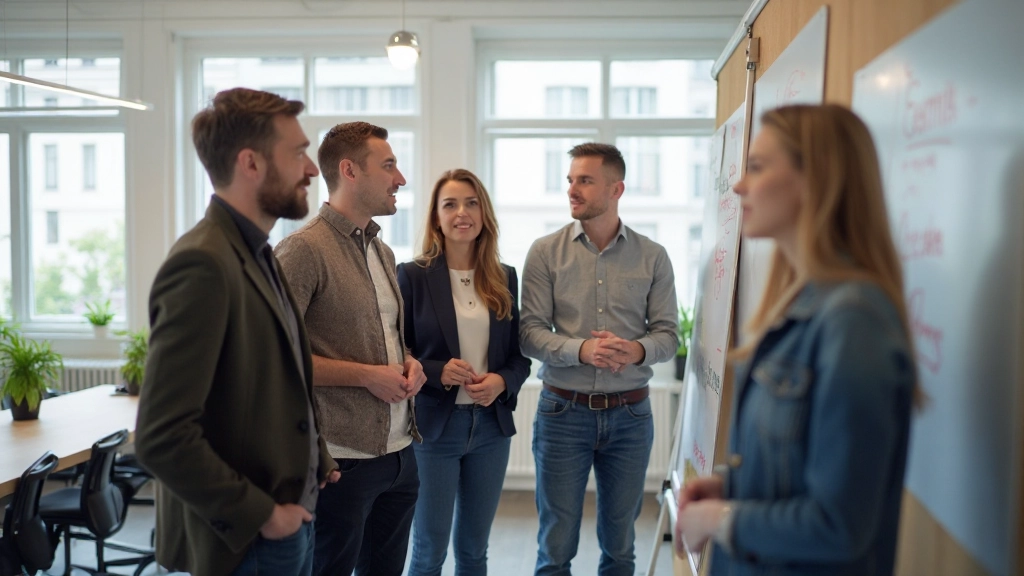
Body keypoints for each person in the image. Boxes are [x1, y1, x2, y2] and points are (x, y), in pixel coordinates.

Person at [674, 104, 917, 576]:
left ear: (815, 181)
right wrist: (732, 487)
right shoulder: (798, 302)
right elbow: (799, 468)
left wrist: (720, 518)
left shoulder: (853, 321)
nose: (740, 185)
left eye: (759, 167)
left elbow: (839, 525)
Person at [135, 88, 339, 576]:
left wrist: (317, 456)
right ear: (251, 163)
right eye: (297, 153)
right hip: (246, 540)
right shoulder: (202, 263)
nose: (312, 169)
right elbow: (161, 436)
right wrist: (264, 516)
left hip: (294, 516)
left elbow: (279, 375)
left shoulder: (259, 249)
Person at [274, 121, 426, 576]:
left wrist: (410, 364)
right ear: (349, 171)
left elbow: (385, 337)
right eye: (389, 166)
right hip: (341, 461)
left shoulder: (382, 251)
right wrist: (365, 375)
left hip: (401, 454)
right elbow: (278, 359)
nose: (400, 179)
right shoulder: (302, 250)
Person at [520, 142, 679, 576]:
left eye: (585, 181)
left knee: (620, 544)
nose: (573, 189)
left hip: (630, 416)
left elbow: (669, 335)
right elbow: (529, 334)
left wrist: (637, 349)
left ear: (616, 189)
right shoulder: (544, 252)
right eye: (571, 180)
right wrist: (582, 350)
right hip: (562, 413)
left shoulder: (654, 256)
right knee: (555, 546)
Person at [397, 169, 532, 576]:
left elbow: (518, 358)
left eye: (471, 202)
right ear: (436, 217)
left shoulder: (504, 275)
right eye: (450, 204)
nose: (462, 212)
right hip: (434, 430)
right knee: (428, 550)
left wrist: (501, 381)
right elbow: (397, 351)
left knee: (475, 551)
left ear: (484, 212)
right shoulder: (413, 275)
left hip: (490, 430)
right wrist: (438, 371)